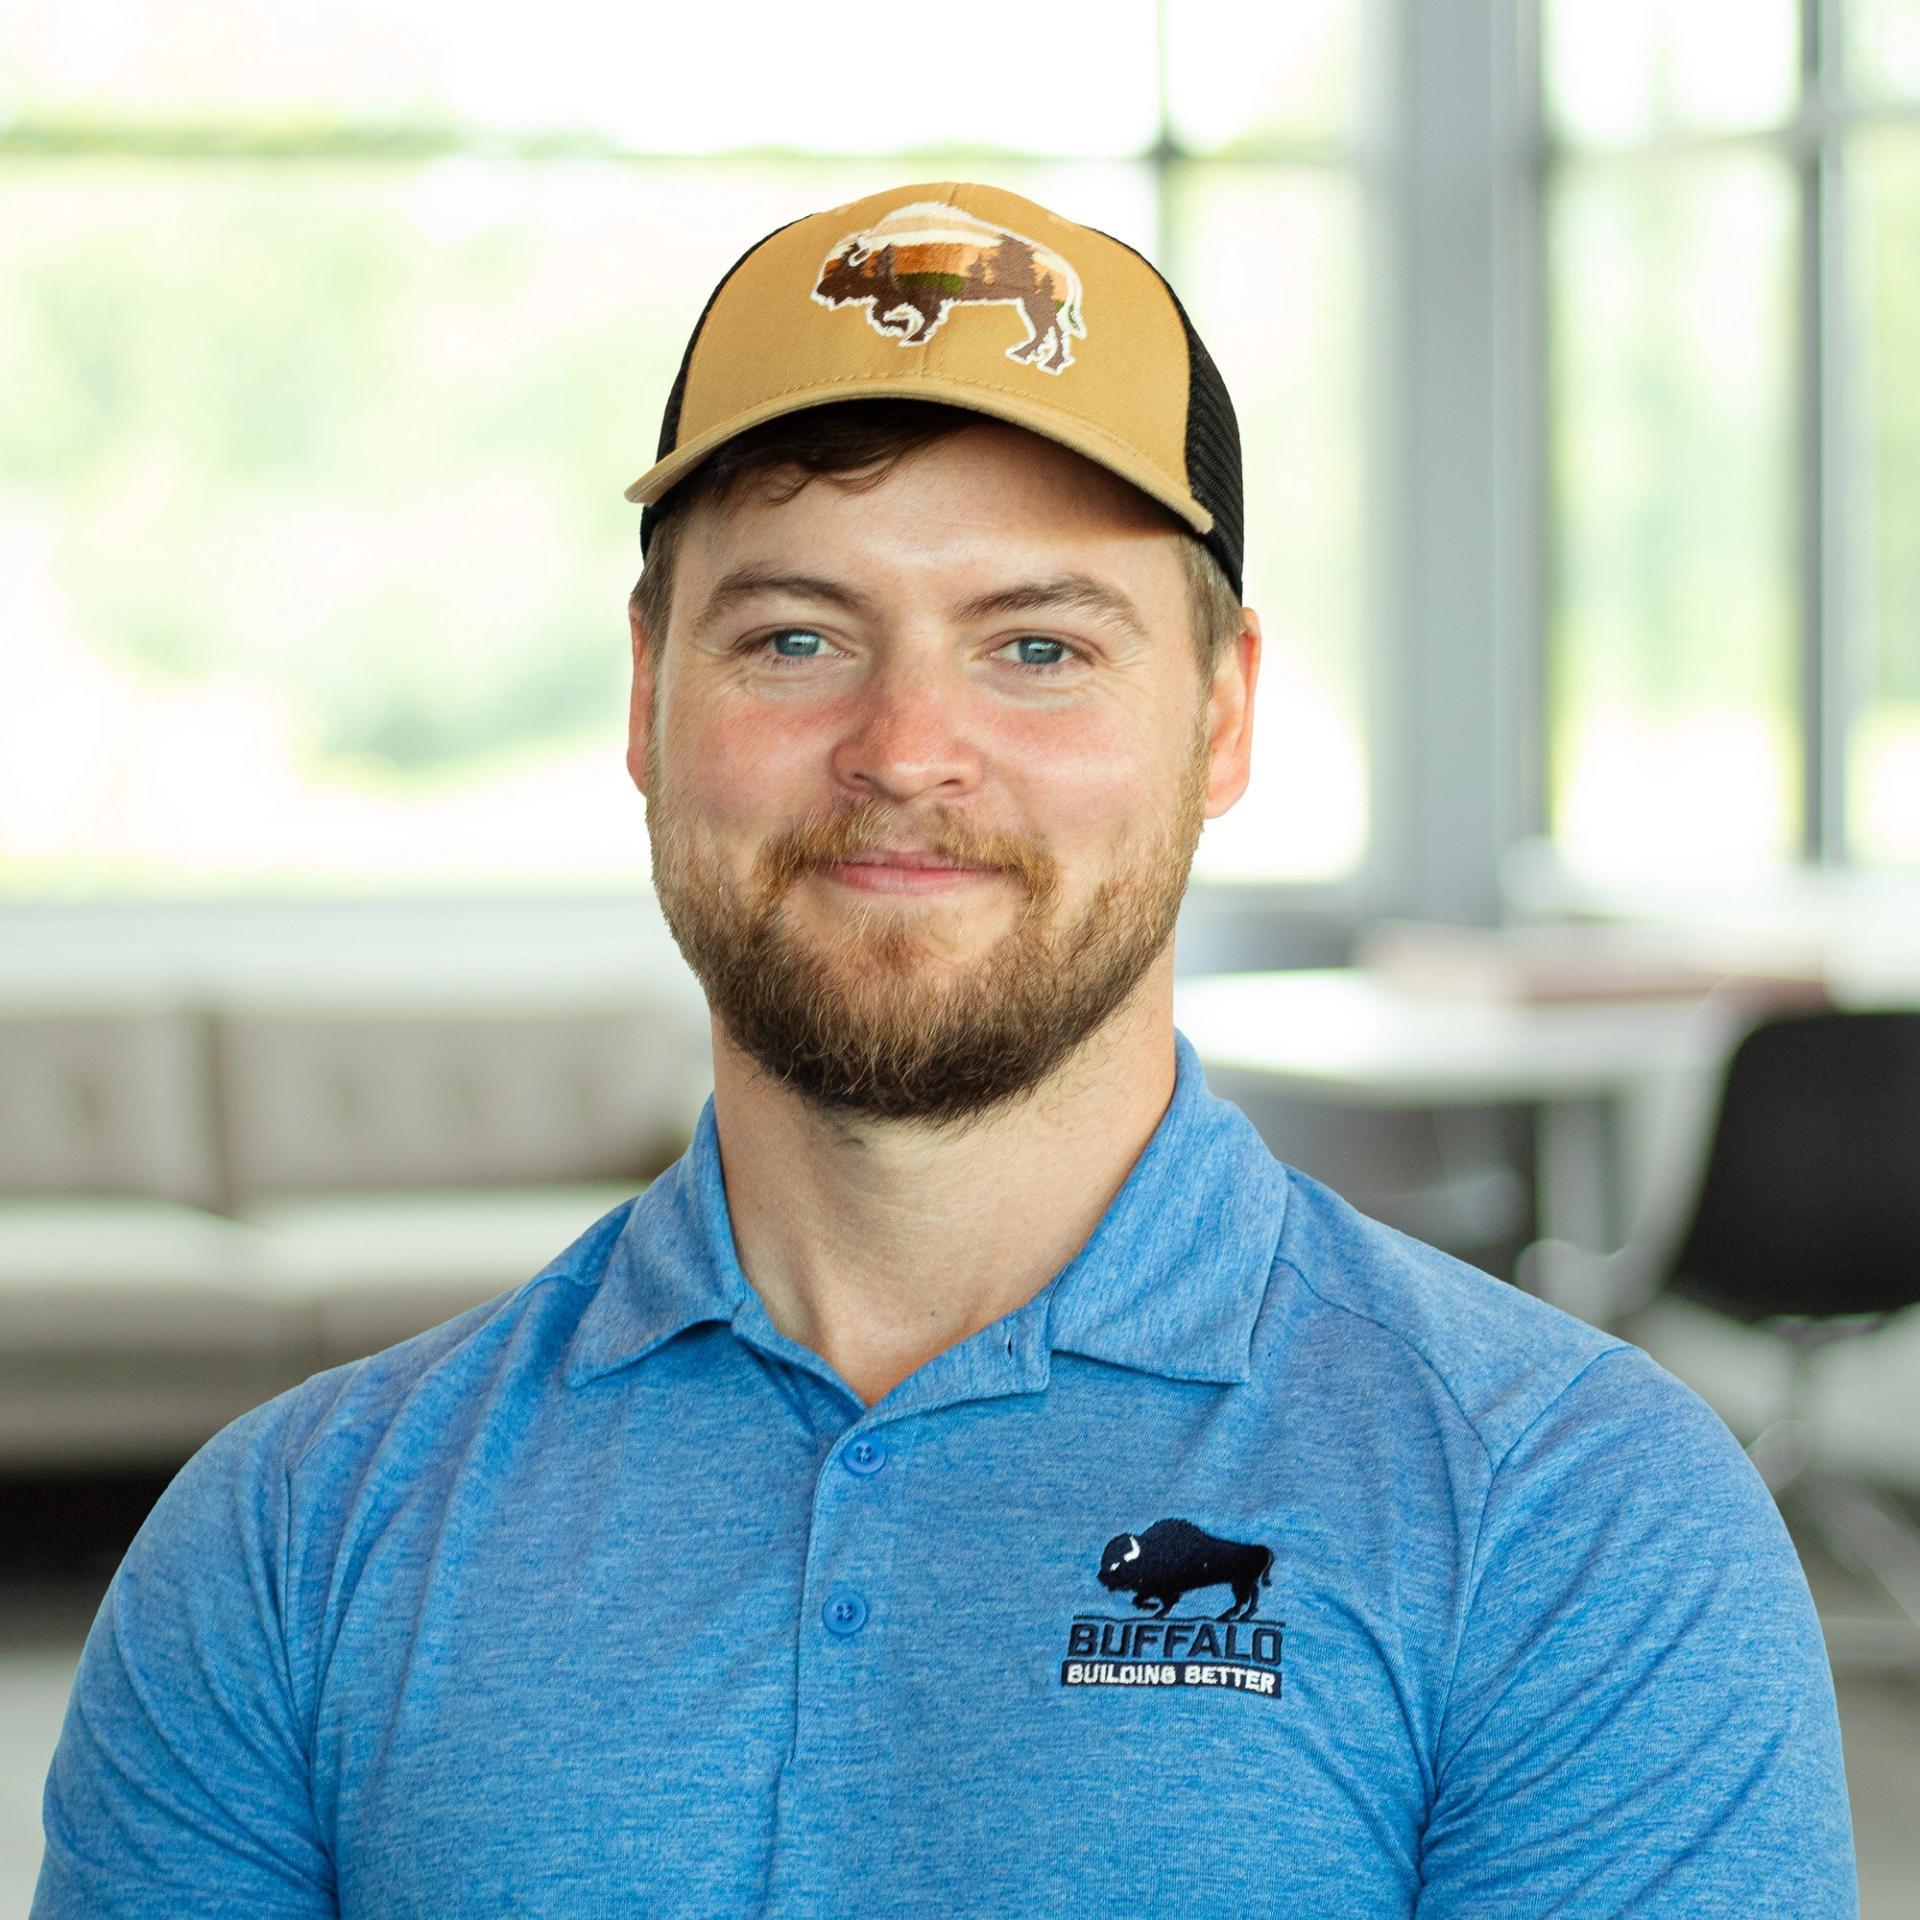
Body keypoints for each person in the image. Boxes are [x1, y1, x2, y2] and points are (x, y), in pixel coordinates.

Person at [35, 182, 1857, 1918]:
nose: (908, 747)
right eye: (798, 635)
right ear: (649, 699)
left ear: (1221, 719)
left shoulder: (1580, 1519)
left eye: (1042, 647)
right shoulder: (289, 1546)